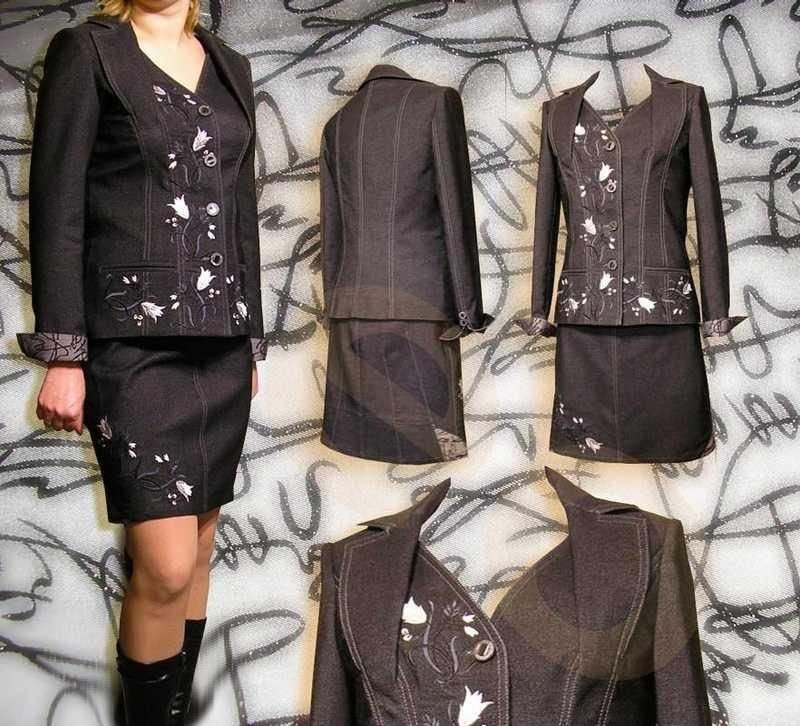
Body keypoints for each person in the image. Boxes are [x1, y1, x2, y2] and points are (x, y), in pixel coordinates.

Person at [15, 1, 266, 723]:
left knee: (201, 549)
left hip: (221, 347)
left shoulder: (230, 65)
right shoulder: (87, 51)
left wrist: (250, 338)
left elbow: (240, 211)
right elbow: (57, 210)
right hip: (132, 348)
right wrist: (65, 354)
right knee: (166, 567)